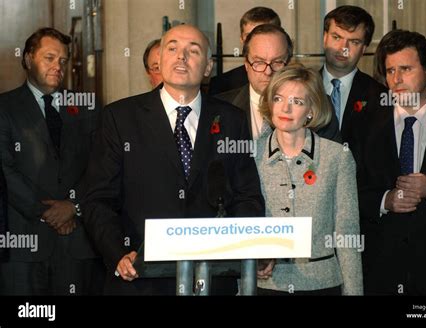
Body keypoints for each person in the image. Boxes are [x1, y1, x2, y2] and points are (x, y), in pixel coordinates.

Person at [82, 24, 265, 295]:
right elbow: (98, 198)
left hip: (212, 278)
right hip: (140, 279)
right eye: (172, 48)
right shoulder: (120, 118)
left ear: (207, 67)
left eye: (193, 50)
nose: (181, 56)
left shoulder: (231, 119)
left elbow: (247, 196)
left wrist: (250, 248)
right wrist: (119, 253)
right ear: (161, 60)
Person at [352, 30, 426, 295]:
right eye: (390, 70)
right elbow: (349, 191)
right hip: (380, 272)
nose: (396, 79)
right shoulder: (363, 126)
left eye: (406, 69)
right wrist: (385, 200)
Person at [0, 27, 104, 295]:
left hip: (77, 245)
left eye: (63, 61)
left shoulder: (86, 107)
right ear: (27, 59)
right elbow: (4, 168)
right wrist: (46, 211)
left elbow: (101, 165)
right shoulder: (5, 108)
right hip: (25, 244)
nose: (58, 66)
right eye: (49, 58)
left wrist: (73, 205)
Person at [254, 64, 363, 295]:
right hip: (266, 284)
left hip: (322, 284)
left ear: (311, 110)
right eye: (278, 98)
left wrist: (353, 292)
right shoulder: (252, 154)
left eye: (297, 101)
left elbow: (347, 233)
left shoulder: (337, 157)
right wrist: (253, 259)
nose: (286, 108)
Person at [217, 24, 340, 142]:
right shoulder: (219, 108)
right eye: (259, 62)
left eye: (277, 62)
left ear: (289, 63)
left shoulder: (319, 104)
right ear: (246, 64)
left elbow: (332, 160)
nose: (268, 71)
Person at [321, 5, 387, 142]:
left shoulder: (380, 97)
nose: (343, 48)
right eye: (336, 37)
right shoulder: (301, 88)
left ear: (364, 49)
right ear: (325, 38)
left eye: (354, 42)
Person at [208, 6, 281, 95]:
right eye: (249, 36)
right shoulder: (222, 85)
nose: (256, 43)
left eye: (264, 35)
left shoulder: (297, 82)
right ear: (242, 40)